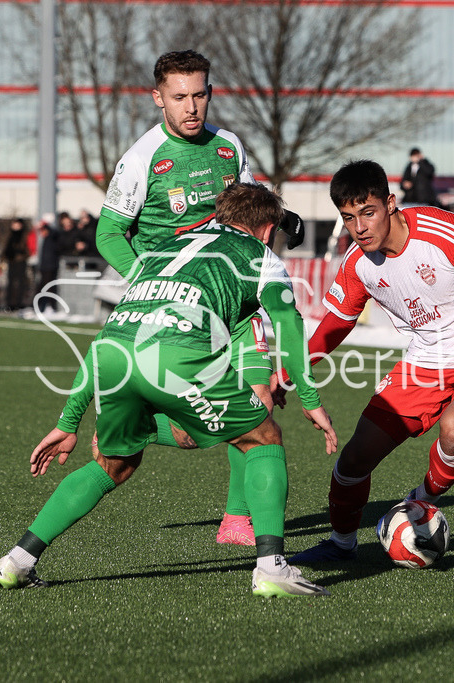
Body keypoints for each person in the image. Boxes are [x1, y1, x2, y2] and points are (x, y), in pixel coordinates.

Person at [0, 182, 337, 597]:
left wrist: (69, 421)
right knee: (263, 438)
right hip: (177, 354)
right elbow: (289, 326)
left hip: (115, 356)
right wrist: (311, 399)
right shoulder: (260, 257)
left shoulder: (167, 248)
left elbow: (107, 340)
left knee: (114, 465)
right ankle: (271, 568)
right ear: (266, 229)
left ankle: (16, 561)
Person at [279, 160, 454, 564]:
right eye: (348, 218)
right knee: (355, 458)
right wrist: (291, 374)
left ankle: (421, 501)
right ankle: (341, 545)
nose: (359, 228)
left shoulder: (441, 231)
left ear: (390, 203)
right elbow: (335, 325)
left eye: (368, 213)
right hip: (427, 359)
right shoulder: (358, 265)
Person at [94, 49, 302, 547]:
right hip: (175, 308)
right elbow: (108, 235)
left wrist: (280, 217)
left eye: (200, 95)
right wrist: (147, 277)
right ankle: (150, 426)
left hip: (230, 301)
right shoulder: (142, 158)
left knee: (259, 399)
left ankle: (236, 521)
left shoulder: (229, 146)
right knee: (191, 432)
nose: (191, 107)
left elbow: (249, 209)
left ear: (211, 93)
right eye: (179, 97)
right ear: (158, 99)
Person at [1, 218, 31, 312]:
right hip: (11, 261)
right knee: (10, 283)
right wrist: (3, 260)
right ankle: (9, 303)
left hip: (21, 261)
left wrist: (21, 253)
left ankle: (20, 303)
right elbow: (5, 249)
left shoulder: (24, 235)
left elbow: (27, 248)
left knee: (21, 283)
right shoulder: (9, 235)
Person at [34, 216, 60, 314]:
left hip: (51, 266)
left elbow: (54, 232)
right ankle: (40, 306)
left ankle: (50, 306)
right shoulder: (45, 239)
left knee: (50, 287)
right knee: (41, 286)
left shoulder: (52, 236)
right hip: (44, 266)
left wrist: (45, 225)